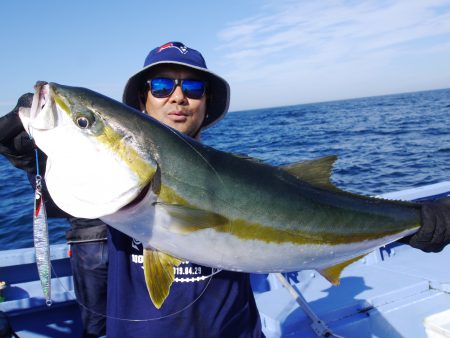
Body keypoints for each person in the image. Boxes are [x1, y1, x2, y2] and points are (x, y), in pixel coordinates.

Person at [107, 42, 264, 337]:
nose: (178, 97)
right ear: (143, 99)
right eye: (162, 86)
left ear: (206, 102)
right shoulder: (109, 172)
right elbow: (59, 196)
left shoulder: (236, 175)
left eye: (193, 88)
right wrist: (27, 156)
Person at [0, 98, 108, 337]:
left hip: (90, 241)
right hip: (93, 240)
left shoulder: (71, 147)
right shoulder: (66, 148)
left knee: (97, 323)